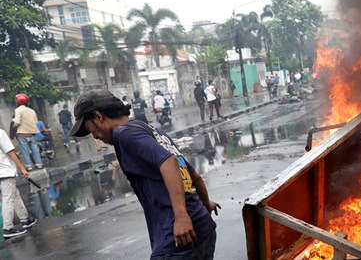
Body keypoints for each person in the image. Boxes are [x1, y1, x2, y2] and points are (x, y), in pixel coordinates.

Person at [68, 90, 220, 258]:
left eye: (90, 130)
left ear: (98, 116)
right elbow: (192, 175)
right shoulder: (151, 130)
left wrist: (182, 217)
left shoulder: (123, 133)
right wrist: (205, 204)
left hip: (178, 240)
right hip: (204, 229)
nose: (95, 136)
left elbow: (169, 163)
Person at [0, 128, 38, 238]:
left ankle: (26, 220)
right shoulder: (0, 133)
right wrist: (22, 168)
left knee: (14, 195)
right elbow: (10, 152)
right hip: (4, 171)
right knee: (8, 198)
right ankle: (8, 229)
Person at [13, 93, 43, 170]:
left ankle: (28, 166)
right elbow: (36, 122)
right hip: (32, 133)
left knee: (25, 151)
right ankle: (39, 164)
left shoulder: (18, 110)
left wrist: (14, 126)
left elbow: (17, 122)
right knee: (35, 150)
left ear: (18, 101)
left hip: (22, 134)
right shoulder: (32, 111)